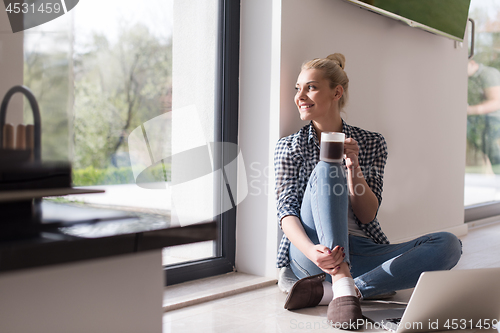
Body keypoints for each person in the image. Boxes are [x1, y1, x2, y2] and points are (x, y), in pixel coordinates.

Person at [274, 53, 462, 330]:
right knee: (327, 168)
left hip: (363, 250)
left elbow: (367, 214)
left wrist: (354, 169)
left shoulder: (372, 142)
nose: (300, 96)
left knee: (448, 244)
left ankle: (344, 292)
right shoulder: (288, 146)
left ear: (336, 92)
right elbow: (286, 212)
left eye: (310, 87)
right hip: (313, 251)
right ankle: (342, 282)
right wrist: (314, 253)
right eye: (297, 88)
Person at [467, 59, 500, 169]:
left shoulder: (487, 74)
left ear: (471, 63)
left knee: (494, 154)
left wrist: (470, 110)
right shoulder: (470, 78)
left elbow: (496, 102)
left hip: (491, 121)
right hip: (476, 122)